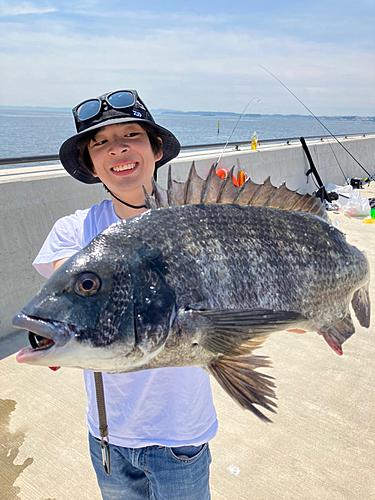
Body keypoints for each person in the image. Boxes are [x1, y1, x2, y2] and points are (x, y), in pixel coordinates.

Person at [33, 90, 217, 500]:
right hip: (108, 438)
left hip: (180, 437)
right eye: (100, 143)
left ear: (155, 149)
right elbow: (66, 300)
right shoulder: (75, 232)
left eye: (131, 135)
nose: (117, 149)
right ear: (91, 165)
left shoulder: (199, 226)